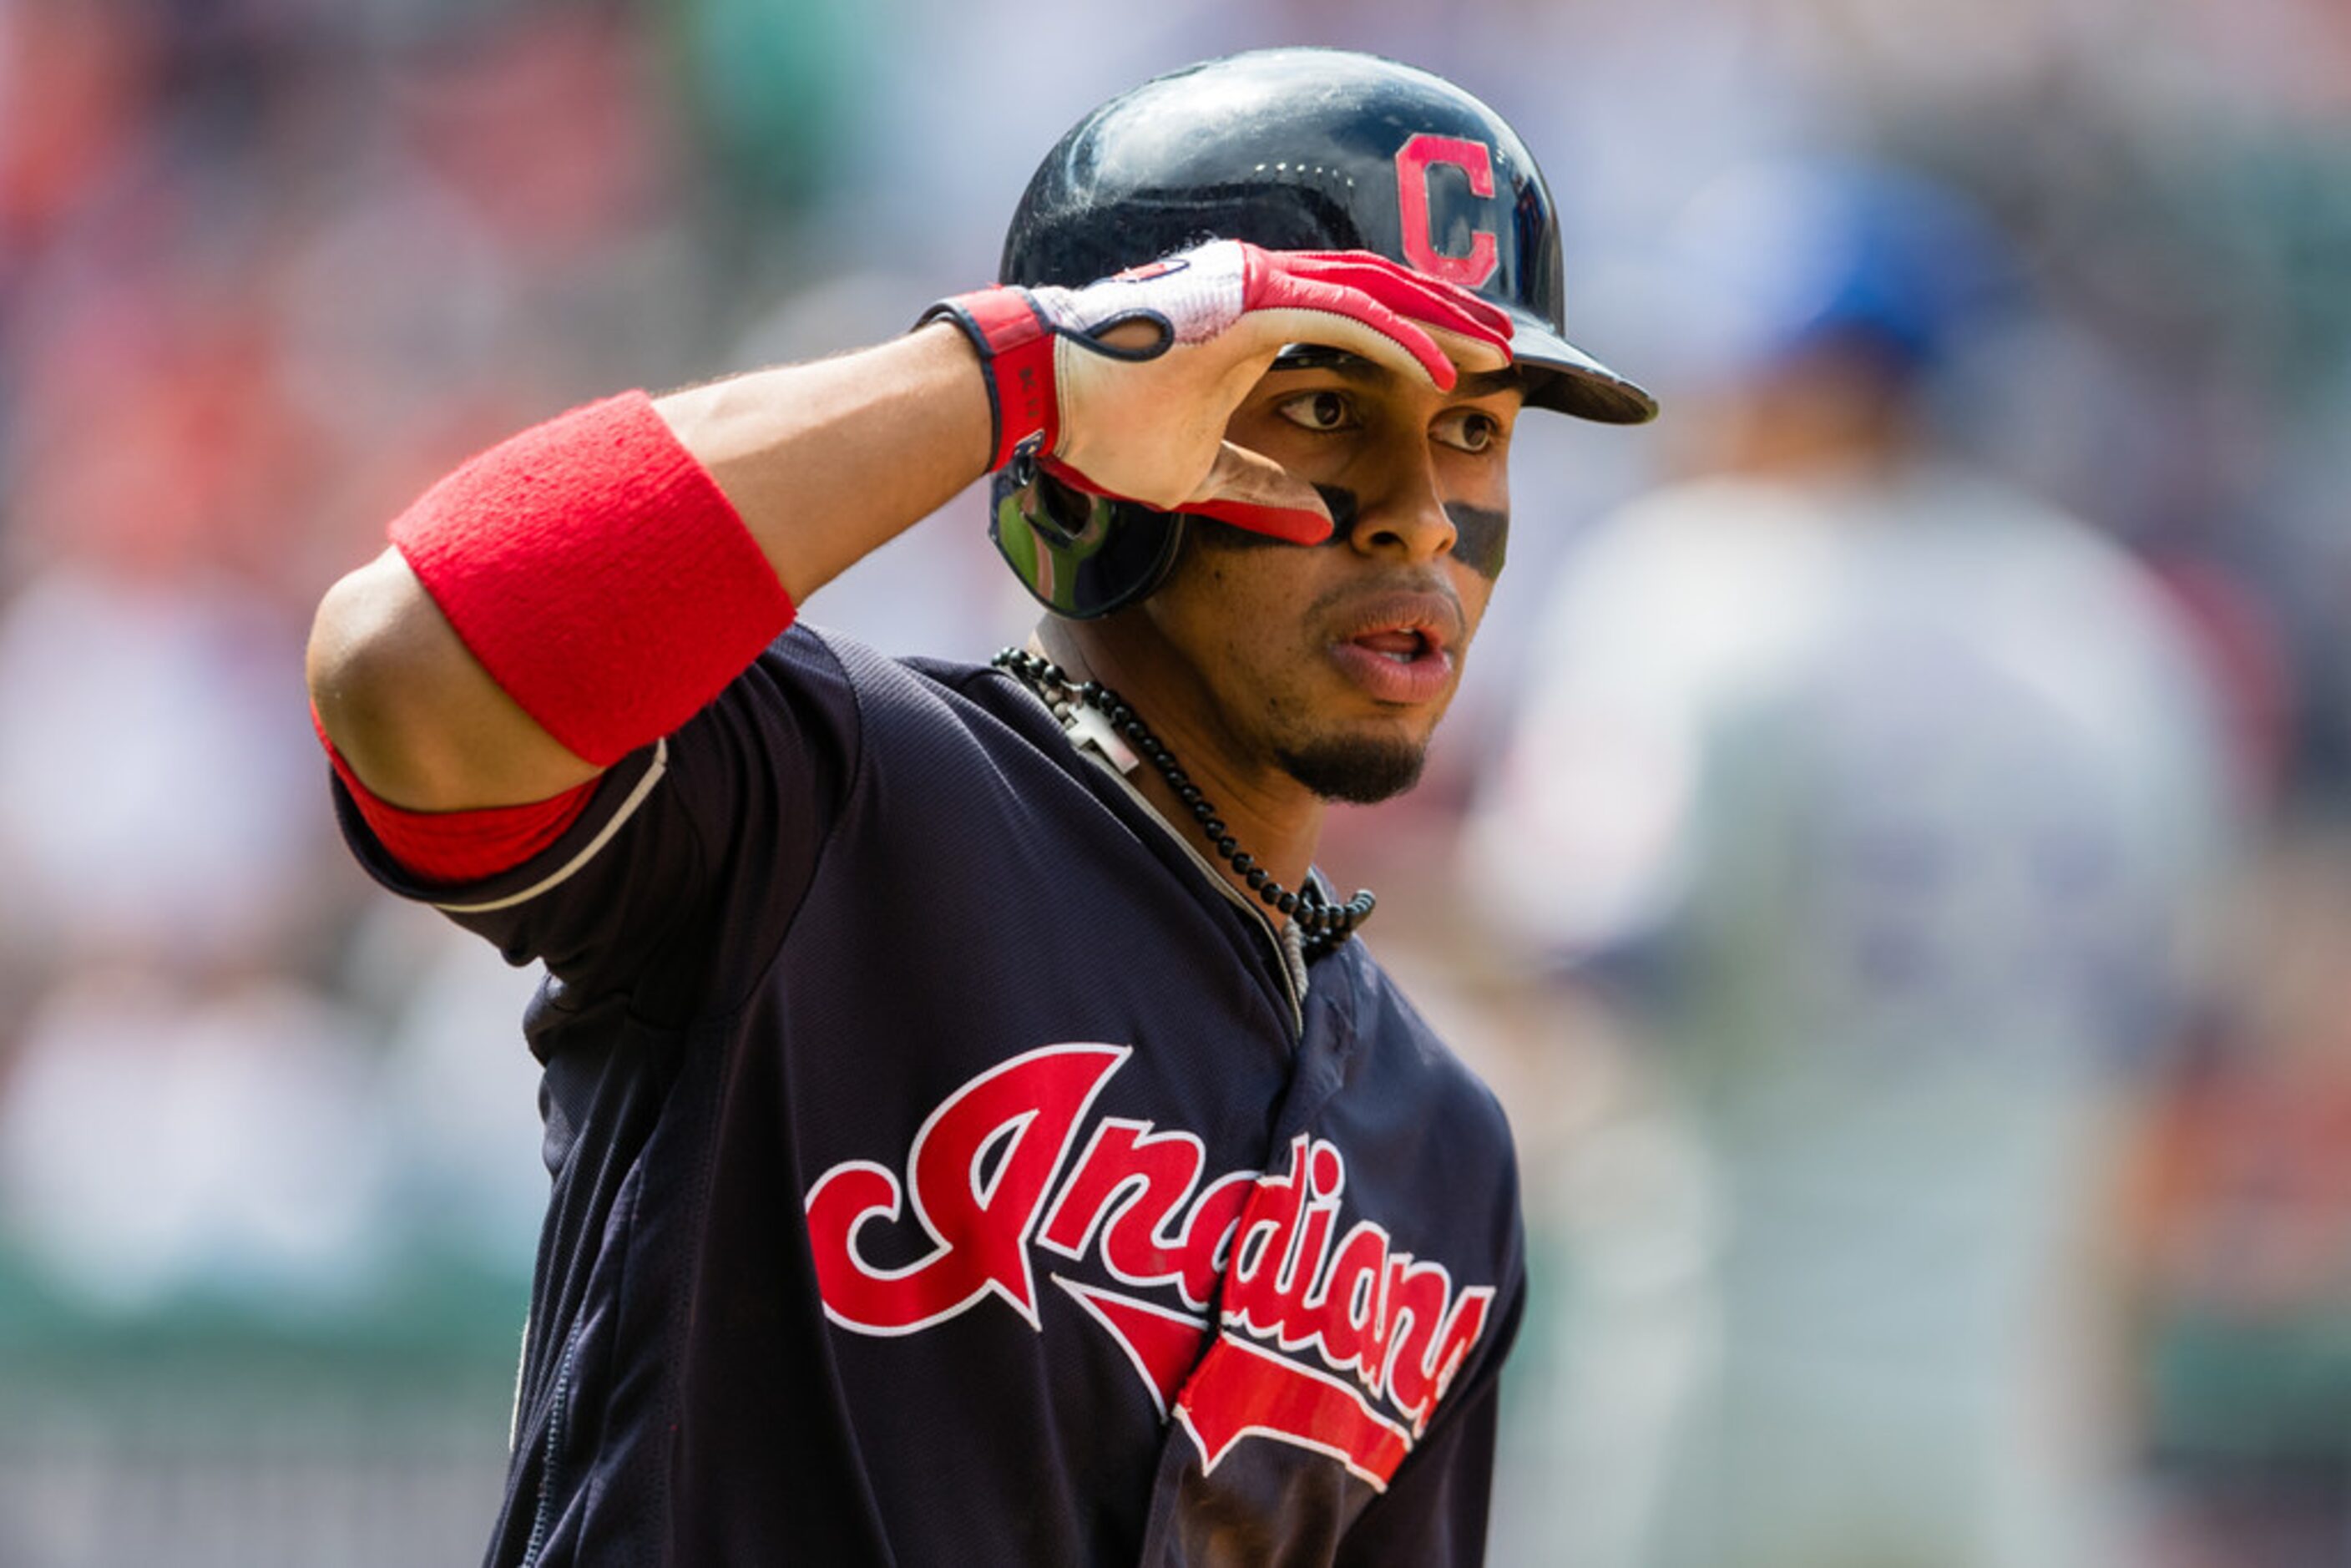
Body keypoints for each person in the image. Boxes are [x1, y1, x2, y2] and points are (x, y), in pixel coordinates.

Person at [304, 48, 1654, 1566]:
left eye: (1476, 426)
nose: (1420, 505)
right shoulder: (819, 795)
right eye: (1328, 404)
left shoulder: (1445, 1148)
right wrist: (1007, 374)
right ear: (1095, 455)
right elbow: (405, 667)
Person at [1467, 159, 2237, 1567]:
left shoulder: (1702, 582)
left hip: (1718, 1382)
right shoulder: (2118, 639)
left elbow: (1578, 981)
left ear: (1806, 377)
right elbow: (2167, 1077)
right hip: (2014, 1412)